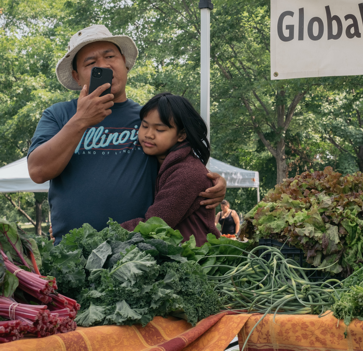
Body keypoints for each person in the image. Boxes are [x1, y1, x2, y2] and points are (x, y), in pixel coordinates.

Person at [27, 25, 226, 241]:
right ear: (76, 76)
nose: (104, 66)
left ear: (126, 63)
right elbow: (38, 171)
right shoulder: (58, 115)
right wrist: (81, 120)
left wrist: (211, 183)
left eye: (110, 56)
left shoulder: (148, 119)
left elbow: (183, 168)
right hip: (71, 252)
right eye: (91, 63)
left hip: (134, 255)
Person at [120, 93, 221, 245]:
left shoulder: (188, 172)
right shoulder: (157, 158)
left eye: (159, 130)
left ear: (181, 135)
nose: (148, 134)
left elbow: (155, 225)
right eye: (144, 125)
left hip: (194, 259)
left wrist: (110, 233)